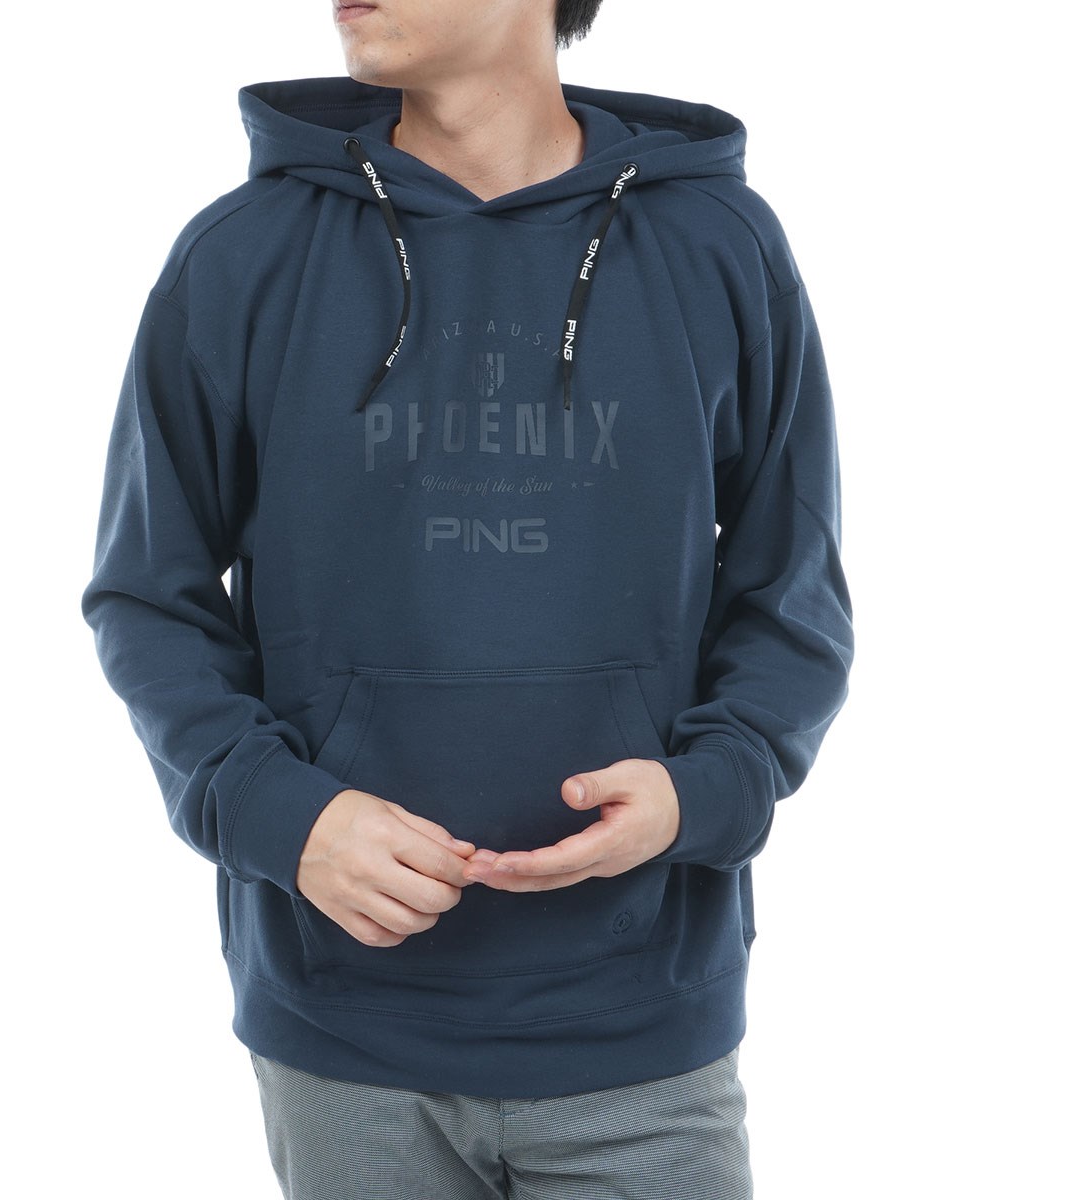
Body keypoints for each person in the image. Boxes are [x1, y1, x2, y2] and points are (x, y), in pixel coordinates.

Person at [80, 0, 854, 1195]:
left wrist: (704, 790)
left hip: (640, 1022)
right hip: (344, 1027)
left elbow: (792, 590)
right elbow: (148, 595)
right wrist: (281, 815)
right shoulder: (243, 252)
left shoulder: (718, 246)